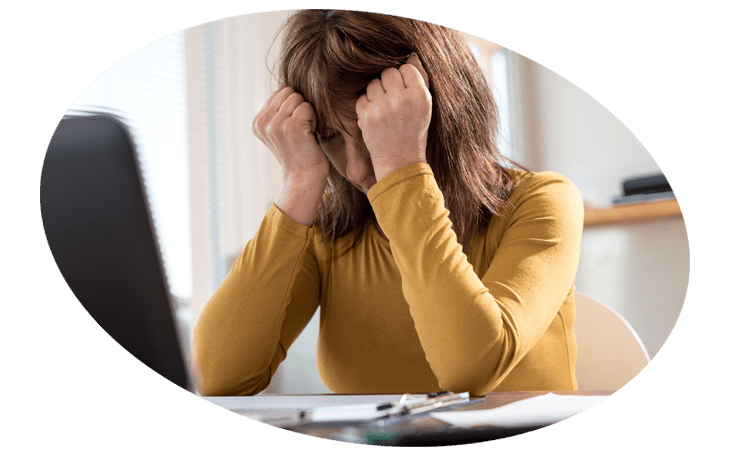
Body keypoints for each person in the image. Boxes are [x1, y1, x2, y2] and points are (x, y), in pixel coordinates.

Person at [191, 10, 583, 397]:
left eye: (373, 130)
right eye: (329, 137)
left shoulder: (543, 202)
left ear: (438, 113)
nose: (357, 169)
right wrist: (298, 183)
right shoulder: (326, 231)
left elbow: (470, 369)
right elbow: (216, 378)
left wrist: (401, 167)